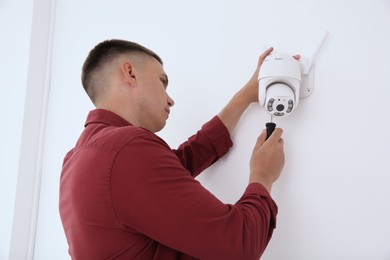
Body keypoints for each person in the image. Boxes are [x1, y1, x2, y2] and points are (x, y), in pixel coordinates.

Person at [59, 39, 286, 260]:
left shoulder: (76, 160)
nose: (170, 100)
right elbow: (239, 244)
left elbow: (176, 167)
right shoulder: (126, 149)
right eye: (162, 81)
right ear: (130, 73)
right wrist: (262, 176)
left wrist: (245, 95)